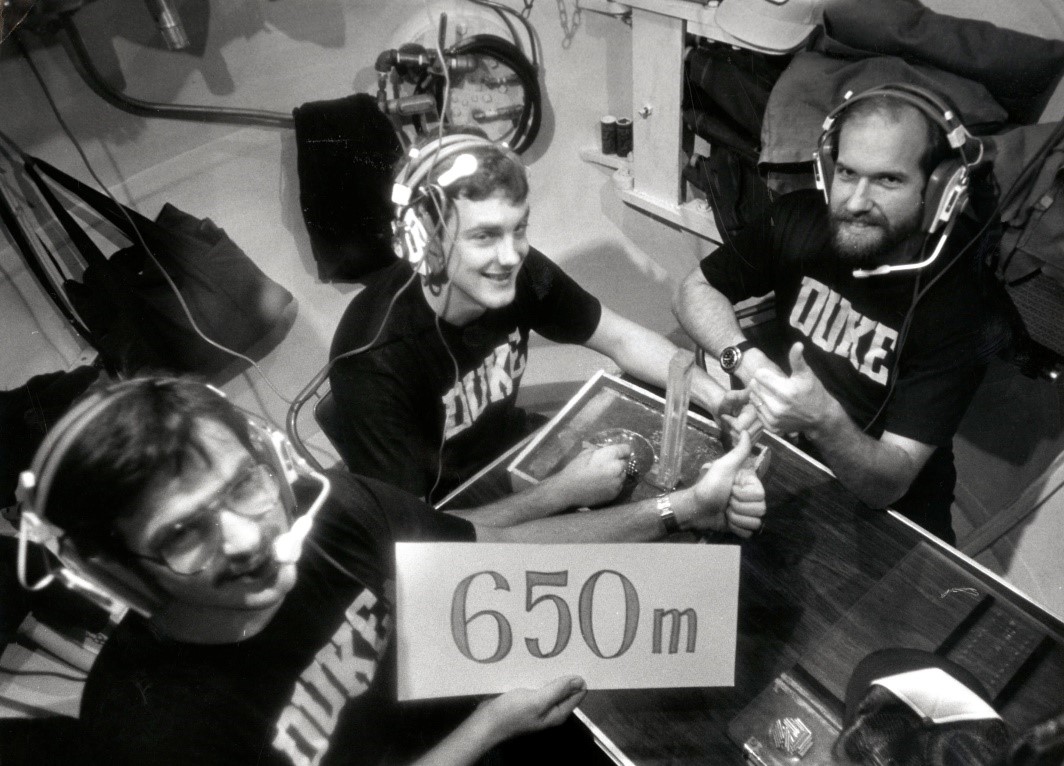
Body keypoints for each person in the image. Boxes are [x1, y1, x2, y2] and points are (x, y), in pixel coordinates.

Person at [17, 377, 766, 765]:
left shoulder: (335, 510)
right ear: (111, 573)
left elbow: (490, 551)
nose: (252, 538)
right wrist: (487, 729)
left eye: (246, 484)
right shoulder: (150, 738)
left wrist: (678, 510)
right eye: (182, 530)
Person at [329, 136, 755, 507]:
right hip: (451, 510)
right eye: (485, 236)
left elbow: (620, 337)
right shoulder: (372, 360)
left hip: (514, 455)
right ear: (425, 240)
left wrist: (715, 398)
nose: (512, 255)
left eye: (519, 229)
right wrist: (562, 493)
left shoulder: (520, 272)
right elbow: (415, 539)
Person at [673, 85, 1005, 545]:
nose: (854, 202)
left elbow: (891, 483)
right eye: (847, 173)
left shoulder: (965, 307)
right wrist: (751, 364)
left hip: (889, 515)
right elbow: (695, 288)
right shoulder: (798, 219)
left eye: (887, 180)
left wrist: (822, 419)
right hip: (793, 465)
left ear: (940, 189)